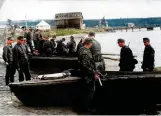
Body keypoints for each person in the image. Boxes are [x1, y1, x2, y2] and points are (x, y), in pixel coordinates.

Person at [77, 37, 96, 112]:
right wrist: (93, 72)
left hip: (85, 74)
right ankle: (85, 108)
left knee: (86, 91)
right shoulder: (85, 52)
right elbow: (85, 65)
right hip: (88, 75)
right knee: (90, 91)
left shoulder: (81, 49)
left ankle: (84, 106)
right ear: (90, 43)